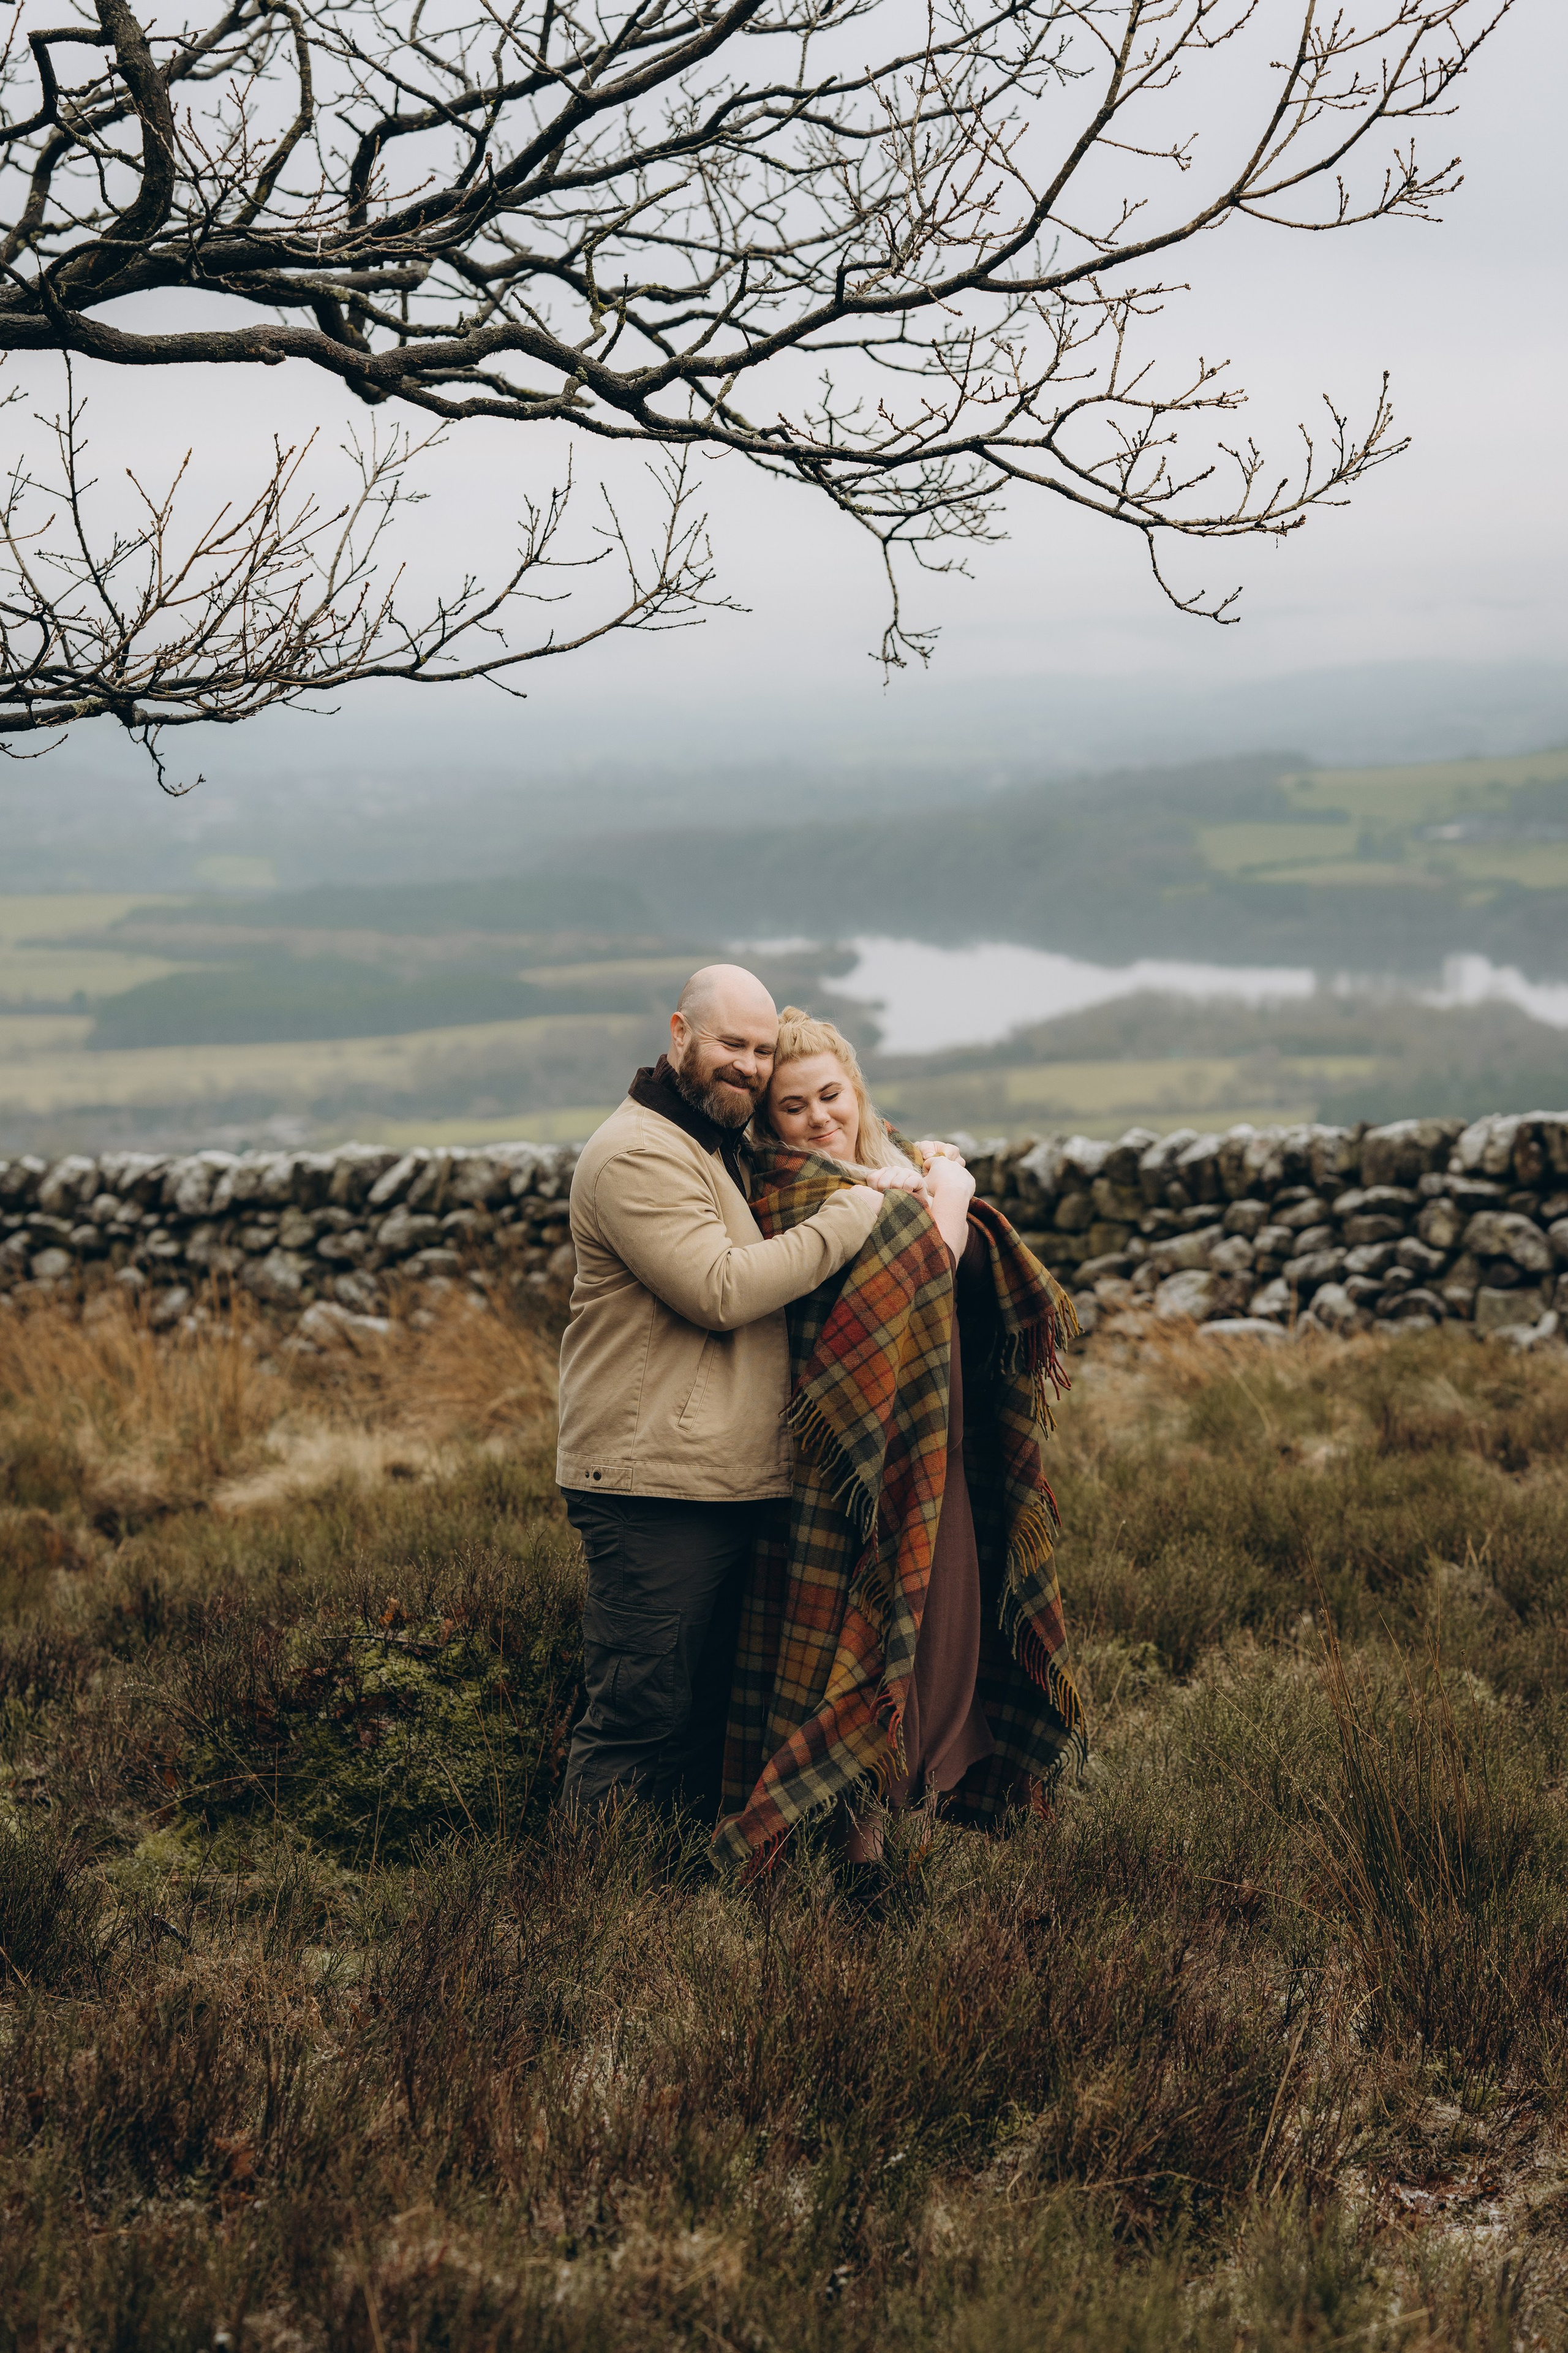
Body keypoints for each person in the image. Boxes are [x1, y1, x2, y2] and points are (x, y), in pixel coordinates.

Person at [715, 1008, 1086, 1878]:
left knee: (939, 1647)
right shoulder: (790, 1189)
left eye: (830, 1095)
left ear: (857, 1088)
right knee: (861, 1646)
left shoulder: (891, 1172)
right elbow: (931, 1257)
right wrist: (949, 1188)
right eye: (792, 1106)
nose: (817, 1118)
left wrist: (926, 1184)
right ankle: (850, 1852)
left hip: (932, 1451)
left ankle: (883, 1838)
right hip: (851, 1468)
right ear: (769, 1121)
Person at [556, 965, 892, 1822]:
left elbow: (825, 1147)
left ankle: (672, 1892)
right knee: (639, 1716)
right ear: (680, 1034)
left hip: (719, 1478)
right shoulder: (638, 1153)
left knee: (704, 1720)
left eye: (762, 1050)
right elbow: (720, 1288)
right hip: (653, 1485)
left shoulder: (714, 1144)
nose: (749, 1064)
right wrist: (856, 1212)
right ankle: (587, 1896)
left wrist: (930, 1168)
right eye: (730, 1043)